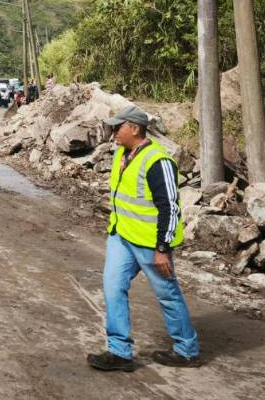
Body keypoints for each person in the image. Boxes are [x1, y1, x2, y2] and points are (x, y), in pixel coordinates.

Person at [87, 105, 201, 372]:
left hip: (151, 244)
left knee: (168, 294)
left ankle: (186, 350)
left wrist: (163, 247)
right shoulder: (120, 155)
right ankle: (119, 351)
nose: (113, 132)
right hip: (121, 237)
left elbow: (170, 207)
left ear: (134, 129)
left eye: (118, 127)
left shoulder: (158, 161)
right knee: (112, 288)